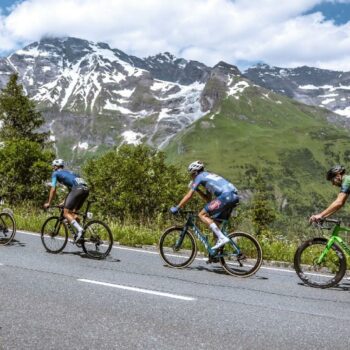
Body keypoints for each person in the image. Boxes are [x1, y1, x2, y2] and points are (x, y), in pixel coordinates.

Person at [170, 161, 239, 250]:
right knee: (216, 222)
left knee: (202, 215)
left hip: (226, 196)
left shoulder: (199, 176)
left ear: (195, 172)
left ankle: (222, 238)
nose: (192, 177)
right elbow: (208, 199)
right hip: (233, 196)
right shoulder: (208, 176)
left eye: (191, 175)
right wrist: (198, 190)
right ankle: (217, 253)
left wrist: (177, 207)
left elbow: (189, 195)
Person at [44, 159, 89, 243]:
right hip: (85, 189)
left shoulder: (56, 173)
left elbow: (53, 189)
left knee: (65, 213)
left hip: (77, 190)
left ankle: (80, 230)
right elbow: (71, 193)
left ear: (56, 167)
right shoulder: (70, 173)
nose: (53, 168)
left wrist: (49, 203)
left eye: (53, 166)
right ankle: (79, 236)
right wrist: (64, 202)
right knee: (73, 214)